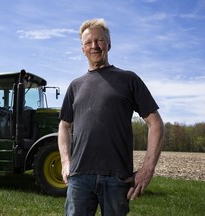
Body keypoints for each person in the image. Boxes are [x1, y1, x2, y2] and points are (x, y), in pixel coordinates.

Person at [58, 18, 164, 216]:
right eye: (88, 42)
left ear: (109, 44)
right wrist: (65, 161)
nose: (94, 46)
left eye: (99, 40)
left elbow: (156, 124)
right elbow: (64, 126)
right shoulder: (75, 86)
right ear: (82, 49)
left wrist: (147, 169)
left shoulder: (128, 79)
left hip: (117, 179)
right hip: (79, 177)